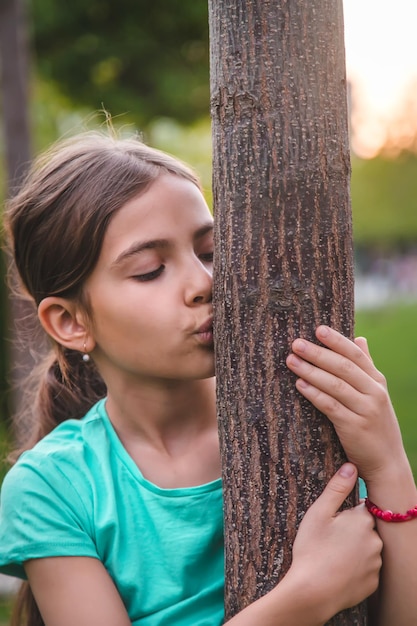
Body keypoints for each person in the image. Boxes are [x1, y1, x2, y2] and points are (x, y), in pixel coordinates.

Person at [0, 130, 415, 626]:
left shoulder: (303, 408)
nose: (204, 283)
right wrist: (308, 596)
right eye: (151, 270)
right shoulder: (53, 486)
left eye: (210, 251)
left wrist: (388, 462)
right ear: (72, 323)